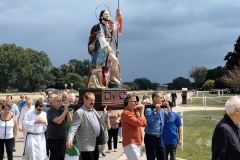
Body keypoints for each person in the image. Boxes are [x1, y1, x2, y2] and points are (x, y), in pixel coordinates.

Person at [66, 92, 108, 160]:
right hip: (86, 145)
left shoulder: (93, 110)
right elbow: (73, 127)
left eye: (93, 100)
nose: (93, 102)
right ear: (85, 100)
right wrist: (69, 139)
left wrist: (104, 114)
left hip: (95, 142)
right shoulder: (80, 112)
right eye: (91, 100)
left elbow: (99, 122)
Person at [87, 9, 121, 88]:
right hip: (99, 50)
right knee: (99, 68)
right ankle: (99, 84)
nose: (108, 15)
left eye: (109, 14)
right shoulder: (98, 27)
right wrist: (109, 49)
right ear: (101, 16)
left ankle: (113, 78)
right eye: (106, 14)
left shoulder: (108, 26)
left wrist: (117, 16)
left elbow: (115, 26)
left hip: (108, 49)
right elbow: (102, 39)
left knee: (115, 60)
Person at [144, 91, 174, 160]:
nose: (163, 99)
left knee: (162, 157)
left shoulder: (162, 110)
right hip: (150, 138)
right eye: (161, 98)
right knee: (151, 158)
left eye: (163, 98)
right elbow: (151, 123)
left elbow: (171, 119)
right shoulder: (148, 110)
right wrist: (157, 111)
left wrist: (169, 110)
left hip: (159, 137)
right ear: (154, 98)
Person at [121, 94, 146, 160]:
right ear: (128, 103)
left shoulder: (134, 112)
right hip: (130, 143)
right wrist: (142, 112)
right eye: (134, 101)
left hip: (137, 142)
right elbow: (139, 123)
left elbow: (144, 123)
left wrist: (140, 113)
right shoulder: (126, 113)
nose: (136, 103)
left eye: (136, 101)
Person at [47, 95, 71, 160]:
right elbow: (58, 121)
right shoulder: (50, 111)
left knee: (62, 157)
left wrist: (67, 111)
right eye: (58, 101)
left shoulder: (62, 110)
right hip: (53, 139)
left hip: (62, 138)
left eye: (61, 100)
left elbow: (70, 121)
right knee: (55, 157)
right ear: (53, 102)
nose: (60, 102)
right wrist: (65, 111)